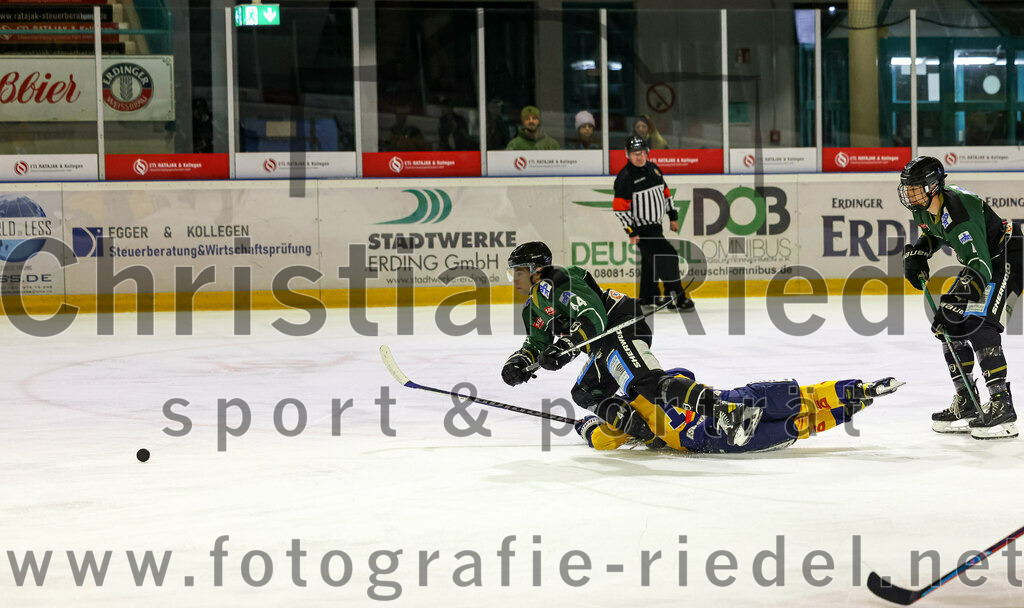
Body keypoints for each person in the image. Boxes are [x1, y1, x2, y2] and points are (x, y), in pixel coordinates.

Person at [501, 241, 751, 448]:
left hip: (618, 325)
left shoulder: (556, 281)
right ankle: (640, 427)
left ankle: (728, 411)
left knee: (649, 383)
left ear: (537, 269)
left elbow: (594, 316)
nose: (514, 279)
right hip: (602, 341)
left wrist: (566, 347)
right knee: (585, 392)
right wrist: (520, 362)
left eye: (519, 272)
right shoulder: (533, 306)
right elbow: (536, 342)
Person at [900, 155, 1021, 440]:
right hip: (984, 261)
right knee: (949, 326)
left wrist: (958, 305)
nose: (909, 193)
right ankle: (967, 400)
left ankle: (1002, 403)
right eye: (907, 187)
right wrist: (921, 250)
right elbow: (934, 231)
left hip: (1007, 258)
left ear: (933, 186)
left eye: (915, 187)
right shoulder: (923, 208)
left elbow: (981, 267)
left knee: (980, 322)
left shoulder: (960, 212)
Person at [575, 371, 903, 453]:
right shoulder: (650, 385)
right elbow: (683, 375)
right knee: (800, 406)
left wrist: (587, 425)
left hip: (716, 431)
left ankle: (851, 402)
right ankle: (856, 394)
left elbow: (602, 440)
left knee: (797, 420)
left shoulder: (624, 422)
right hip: (726, 410)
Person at [613, 135, 694, 311]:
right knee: (668, 257)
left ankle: (648, 297)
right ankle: (677, 298)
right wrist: (631, 231)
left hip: (656, 226)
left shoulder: (654, 169)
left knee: (650, 262)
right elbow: (620, 209)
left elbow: (665, 193)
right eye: (634, 153)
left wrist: (672, 216)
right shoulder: (625, 178)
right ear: (628, 155)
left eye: (641, 152)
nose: (638, 156)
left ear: (647, 153)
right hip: (642, 230)